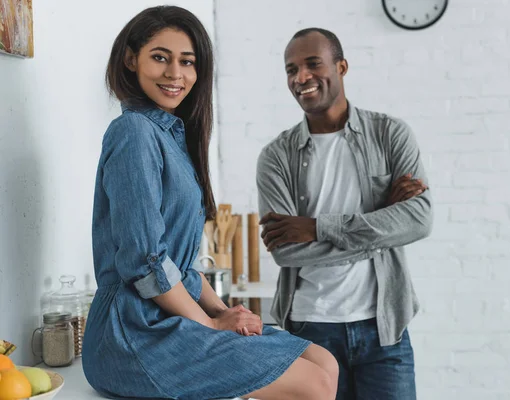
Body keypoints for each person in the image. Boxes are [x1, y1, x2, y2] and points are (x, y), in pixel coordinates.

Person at [82, 8, 338, 400]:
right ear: (131, 59)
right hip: (133, 332)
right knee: (315, 384)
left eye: (188, 62)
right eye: (160, 57)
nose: (175, 74)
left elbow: (179, 266)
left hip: (165, 317)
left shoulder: (171, 137)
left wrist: (223, 312)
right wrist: (209, 324)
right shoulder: (133, 132)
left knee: (325, 363)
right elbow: (145, 262)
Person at [256, 27, 433, 400]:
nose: (300, 77)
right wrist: (383, 222)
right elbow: (286, 251)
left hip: (384, 330)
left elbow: (418, 220)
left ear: (341, 66)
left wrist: (318, 227)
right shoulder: (276, 157)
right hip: (310, 331)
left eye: (312, 64)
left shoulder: (390, 135)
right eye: (291, 69)